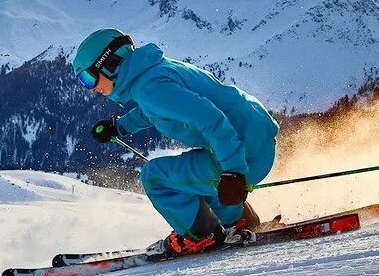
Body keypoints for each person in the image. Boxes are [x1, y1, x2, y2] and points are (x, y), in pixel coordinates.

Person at [74, 29, 278, 259]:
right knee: (194, 174)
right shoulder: (152, 74)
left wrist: (234, 172)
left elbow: (212, 119)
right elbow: (158, 109)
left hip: (245, 153)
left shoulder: (150, 88)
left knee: (154, 176)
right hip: (253, 140)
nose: (91, 88)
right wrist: (120, 126)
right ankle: (235, 220)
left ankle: (200, 234)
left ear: (110, 63)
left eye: (89, 78)